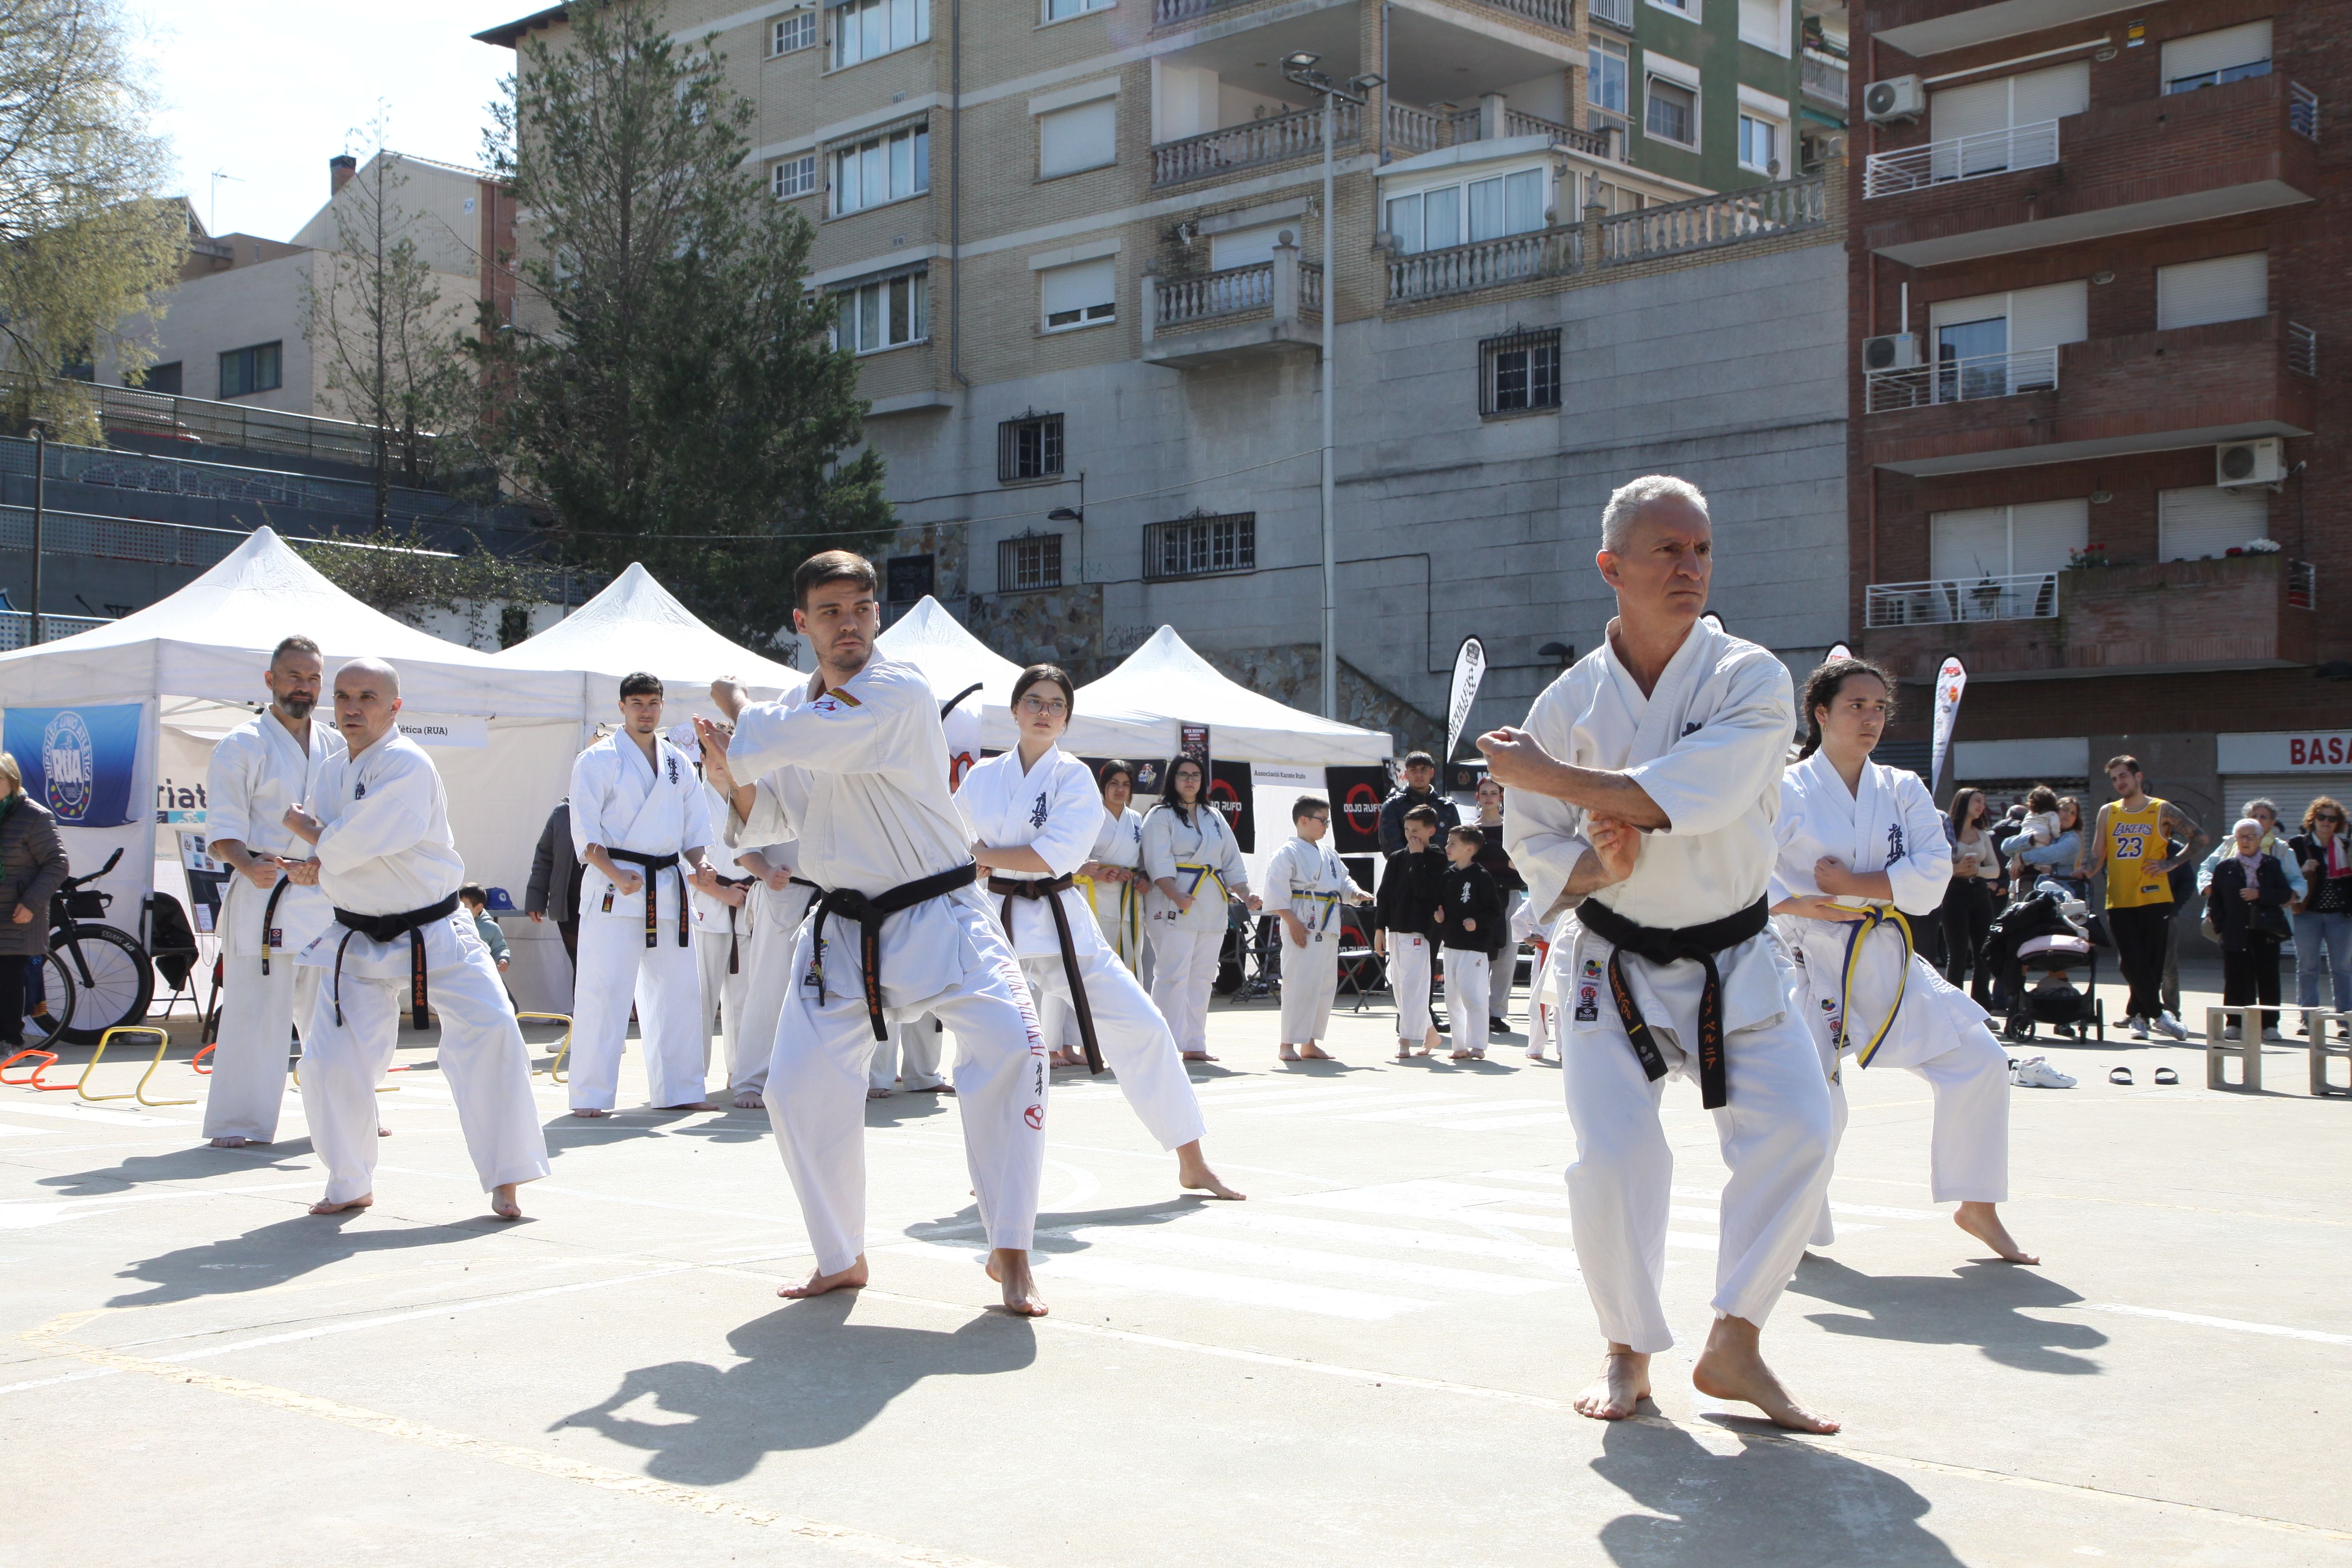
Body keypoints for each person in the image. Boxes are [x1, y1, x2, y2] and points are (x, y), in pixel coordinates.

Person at [1483, 473, 1837, 1434]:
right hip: (1610, 960)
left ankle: (1737, 1340)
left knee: (1805, 1128)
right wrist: (1602, 865)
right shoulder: (1566, 703)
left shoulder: (1750, 679)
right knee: (1613, 1158)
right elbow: (1534, 849)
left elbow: (1705, 791)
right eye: (1668, 551)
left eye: (1702, 550)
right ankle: (1626, 1344)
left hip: (1735, 951)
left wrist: (1547, 777)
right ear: (1612, 568)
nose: (1691, 568)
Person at [700, 550, 1049, 1316]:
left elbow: (817, 736)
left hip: (942, 914)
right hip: (844, 927)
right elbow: (784, 812)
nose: (848, 623)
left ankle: (1013, 1249)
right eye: (829, 611)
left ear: (876, 616)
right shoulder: (796, 715)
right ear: (803, 624)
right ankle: (841, 1254)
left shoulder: (900, 690)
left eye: (860, 608)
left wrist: (738, 705)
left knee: (1015, 1054)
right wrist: (735, 785)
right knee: (795, 1091)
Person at [1769, 658, 2034, 1266]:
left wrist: (1856, 881)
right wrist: (1792, 899)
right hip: (1804, 955)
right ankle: (1793, 1224)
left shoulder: (1903, 787)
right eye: (1855, 706)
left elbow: (1932, 879)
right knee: (1812, 1105)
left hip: (1883, 952)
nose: (1870, 719)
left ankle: (1978, 1205)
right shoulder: (1785, 789)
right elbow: (1742, 868)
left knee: (1982, 1060)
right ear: (1821, 714)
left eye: (1879, 708)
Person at [959, 664, 1243, 1200]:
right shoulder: (981, 777)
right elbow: (952, 840)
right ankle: (987, 1169)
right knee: (990, 1048)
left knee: (1146, 1027)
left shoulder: (1073, 777)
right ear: (1016, 709)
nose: (1045, 713)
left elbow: (1053, 856)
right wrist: (974, 861)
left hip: (1060, 920)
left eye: (1057, 706)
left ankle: (1192, 1160)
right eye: (1035, 702)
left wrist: (984, 856)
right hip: (994, 921)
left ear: (1067, 719)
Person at [284, 657, 549, 1219]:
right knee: (328, 1058)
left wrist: (310, 834)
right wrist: (315, 856)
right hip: (355, 934)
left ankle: (507, 1179)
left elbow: (360, 839)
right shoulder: (331, 768)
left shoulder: (408, 763)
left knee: (495, 1032)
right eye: (344, 696)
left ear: (395, 706)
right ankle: (350, 1178)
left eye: (368, 697)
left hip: (436, 930)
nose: (353, 708)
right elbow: (340, 848)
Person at [199, 636, 342, 1149]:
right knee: (257, 1010)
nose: (303, 688)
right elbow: (222, 827)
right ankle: (240, 1120)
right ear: (270, 681)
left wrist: (326, 860)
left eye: (312, 679)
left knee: (334, 1008)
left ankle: (346, 1113)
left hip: (322, 889)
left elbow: (348, 820)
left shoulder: (336, 744)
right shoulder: (241, 744)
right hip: (265, 889)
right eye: (293, 677)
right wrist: (246, 863)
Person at [566, 674, 723, 1118]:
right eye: (636, 703)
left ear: (662, 706)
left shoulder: (676, 760)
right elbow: (585, 829)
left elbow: (693, 825)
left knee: (678, 993)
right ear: (621, 708)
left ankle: (680, 1089)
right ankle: (591, 1096)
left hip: (667, 888)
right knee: (603, 992)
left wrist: (701, 862)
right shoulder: (596, 760)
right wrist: (616, 872)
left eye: (653, 703)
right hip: (615, 888)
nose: (645, 711)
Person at [713, 756, 825, 1111]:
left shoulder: (838, 770)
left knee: (828, 993)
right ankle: (751, 1079)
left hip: (832, 896)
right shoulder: (765, 775)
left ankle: (820, 1077)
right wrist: (766, 871)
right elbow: (743, 848)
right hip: (782, 893)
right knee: (768, 990)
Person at [2078, 755, 2205, 1041]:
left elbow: (2199, 838)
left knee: (2152, 961)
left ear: (2138, 777)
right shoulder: (2108, 812)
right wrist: (2085, 871)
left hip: (2154, 897)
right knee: (2129, 961)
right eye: (2114, 779)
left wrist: (2171, 863)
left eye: (2123, 776)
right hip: (2120, 898)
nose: (2119, 782)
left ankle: (2139, 1017)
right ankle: (2159, 1015)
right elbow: (2098, 854)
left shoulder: (2161, 809)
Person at [1141, 755, 1258, 1064]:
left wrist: (1246, 895)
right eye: (1183, 775)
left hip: (1211, 902)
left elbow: (1231, 861)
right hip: (1173, 899)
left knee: (1204, 975)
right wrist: (1174, 894)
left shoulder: (1214, 816)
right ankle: (1164, 1044)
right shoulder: (1160, 815)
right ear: (1173, 779)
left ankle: (1194, 1041)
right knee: (1172, 974)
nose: (1190, 780)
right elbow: (1157, 859)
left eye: (1195, 775)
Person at [1263, 794, 1370, 1062]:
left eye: (1327, 821)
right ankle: (1287, 1043)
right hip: (1301, 920)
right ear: (1304, 820)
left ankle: (1309, 1043)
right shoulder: (1286, 853)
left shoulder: (1329, 854)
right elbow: (1276, 893)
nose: (1326, 826)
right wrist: (1292, 923)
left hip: (1328, 922)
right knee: (1298, 984)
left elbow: (1343, 882)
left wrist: (1356, 893)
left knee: (1323, 985)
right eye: (1323, 820)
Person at [686, 721, 758, 1091]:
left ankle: (741, 1071)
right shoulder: (691, 799)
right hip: (708, 907)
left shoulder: (746, 798)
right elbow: (684, 862)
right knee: (702, 995)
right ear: (701, 757)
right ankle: (693, 1076)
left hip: (746, 905)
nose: (719, 762)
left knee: (743, 996)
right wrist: (722, 894)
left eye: (726, 755)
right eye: (711, 754)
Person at [0, 752, 65, 1053]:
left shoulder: (34, 816)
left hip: (17, 914)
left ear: (13, 782)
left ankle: (10, 1042)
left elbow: (56, 865)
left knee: (7, 982)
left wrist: (30, 904)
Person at [2205, 817, 2292, 1041]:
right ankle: (2234, 1023)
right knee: (2235, 979)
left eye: (2250, 837)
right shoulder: (2226, 867)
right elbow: (2216, 901)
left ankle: (2270, 1025)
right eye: (2241, 837)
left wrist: (2260, 894)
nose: (2245, 841)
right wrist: (2221, 925)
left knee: (2268, 978)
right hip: (2235, 932)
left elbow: (2284, 894)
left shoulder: (2271, 864)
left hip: (2266, 932)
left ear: (2260, 838)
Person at [1372, 804, 1447, 1059]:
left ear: (1431, 831)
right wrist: (1379, 929)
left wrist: (1417, 857)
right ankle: (1429, 1032)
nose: (1410, 835)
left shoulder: (1437, 859)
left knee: (1415, 985)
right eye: (1407, 830)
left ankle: (1405, 1039)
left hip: (1421, 931)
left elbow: (1424, 893)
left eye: (1416, 830)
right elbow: (1384, 896)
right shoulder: (1396, 858)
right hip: (1396, 929)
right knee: (1401, 987)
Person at [1434, 824, 1505, 1061]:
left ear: (1469, 849)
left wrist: (1478, 921)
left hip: (1474, 947)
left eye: (1453, 843)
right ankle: (1460, 1044)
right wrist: (1440, 916)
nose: (1447, 847)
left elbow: (1495, 911)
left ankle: (1478, 1044)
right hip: (1452, 944)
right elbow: (1441, 905)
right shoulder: (1448, 875)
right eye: (1448, 842)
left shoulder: (1481, 876)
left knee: (1473, 996)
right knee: (1451, 997)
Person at [1075, 759, 1149, 982]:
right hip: (1097, 899)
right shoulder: (1088, 816)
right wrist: (1095, 873)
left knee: (1129, 962)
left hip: (1130, 902)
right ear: (1104, 786)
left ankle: (1129, 1014)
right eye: (1114, 783)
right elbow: (1072, 859)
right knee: (1099, 965)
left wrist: (1144, 878)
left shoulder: (1136, 819)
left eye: (1126, 785)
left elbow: (1144, 861)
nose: (1120, 789)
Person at [2288, 797, 2352, 1039]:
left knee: (2343, 968)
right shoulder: (2298, 844)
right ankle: (2308, 1017)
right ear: (2312, 820)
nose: (2326, 822)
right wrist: (2303, 869)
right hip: (2308, 914)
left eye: (2332, 819)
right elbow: (2286, 874)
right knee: (2308, 967)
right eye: (2322, 817)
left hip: (2340, 916)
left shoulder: (2345, 846)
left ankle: (2345, 1019)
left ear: (2338, 823)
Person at [1471, 775, 1525, 1033]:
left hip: (1510, 895)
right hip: (1479, 899)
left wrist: (1504, 865)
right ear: (1478, 797)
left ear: (1501, 797)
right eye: (1485, 793)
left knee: (1506, 958)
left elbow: (1520, 864)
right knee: (1479, 955)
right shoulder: (1471, 830)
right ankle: (1477, 1009)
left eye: (1494, 793)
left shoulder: (1513, 827)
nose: (1489, 797)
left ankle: (1497, 1013)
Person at [1939, 788, 1999, 1004]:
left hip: (1980, 892)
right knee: (1957, 955)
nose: (1982, 805)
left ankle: (1982, 1007)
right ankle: (1954, 1007)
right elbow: (1936, 865)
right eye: (1977, 801)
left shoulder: (1983, 833)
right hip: (1954, 893)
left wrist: (1976, 872)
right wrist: (1957, 869)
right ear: (1964, 802)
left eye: (1983, 801)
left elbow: (1995, 870)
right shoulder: (1947, 830)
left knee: (1984, 952)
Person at [2196, 797, 2307, 906]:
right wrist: (2208, 886)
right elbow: (2207, 867)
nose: (2258, 820)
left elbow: (2298, 880)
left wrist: (2291, 895)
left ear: (2272, 823)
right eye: (2254, 816)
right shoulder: (2230, 843)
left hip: (2270, 916)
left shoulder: (2282, 849)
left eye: (2263, 817)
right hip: (2226, 912)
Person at [524, 798, 585, 975]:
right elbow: (544, 856)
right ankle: (580, 1005)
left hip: (608, 905)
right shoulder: (563, 812)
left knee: (608, 969)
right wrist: (536, 899)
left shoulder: (615, 809)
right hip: (570, 908)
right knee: (581, 967)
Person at [1376, 750, 1461, 856]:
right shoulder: (1393, 806)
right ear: (1406, 774)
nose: (1419, 775)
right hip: (1407, 870)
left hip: (1443, 870)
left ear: (1432, 773)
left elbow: (1458, 845)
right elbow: (1391, 850)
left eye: (1424, 770)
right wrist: (1418, 865)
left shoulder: (1447, 807)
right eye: (1414, 770)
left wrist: (1440, 867)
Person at [2015, 795, 2087, 901]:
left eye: (2073, 813)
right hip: (2035, 892)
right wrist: (2017, 856)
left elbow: (2052, 854)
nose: (2068, 815)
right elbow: (2013, 846)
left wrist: (2022, 858)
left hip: (2065, 890)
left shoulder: (2074, 838)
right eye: (2065, 810)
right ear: (2056, 811)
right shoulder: (2042, 830)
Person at [2006, 784, 2061, 883]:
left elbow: (2025, 825)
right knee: (2045, 863)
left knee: (2016, 862)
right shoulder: (2052, 814)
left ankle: (2013, 884)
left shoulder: (2029, 814)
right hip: (2042, 841)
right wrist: (2056, 836)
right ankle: (2046, 880)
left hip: (2024, 839)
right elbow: (2055, 828)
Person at [458, 884, 510, 974]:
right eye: (458, 905)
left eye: (465, 906)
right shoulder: (454, 924)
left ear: (478, 908)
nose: (460, 909)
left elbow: (500, 948)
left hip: (482, 973)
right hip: (459, 973)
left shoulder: (491, 928)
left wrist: (503, 959)